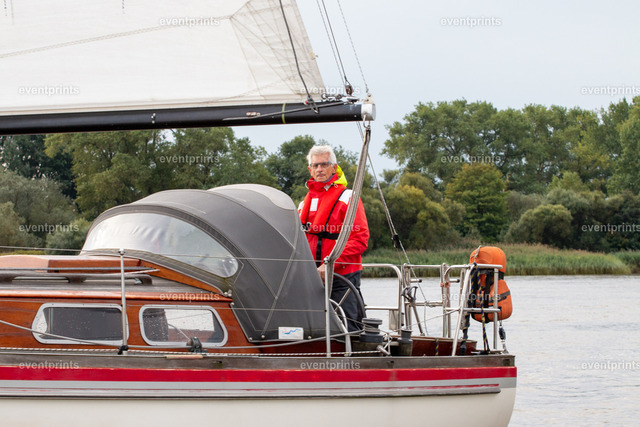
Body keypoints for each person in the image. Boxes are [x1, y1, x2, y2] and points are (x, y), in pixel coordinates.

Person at [298, 145, 369, 331]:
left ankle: (352, 349)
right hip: (312, 278)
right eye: (315, 165)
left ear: (334, 167)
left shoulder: (348, 197)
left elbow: (360, 239)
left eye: (324, 164)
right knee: (312, 329)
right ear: (310, 170)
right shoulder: (304, 203)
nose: (319, 169)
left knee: (347, 328)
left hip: (342, 276)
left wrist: (330, 264)